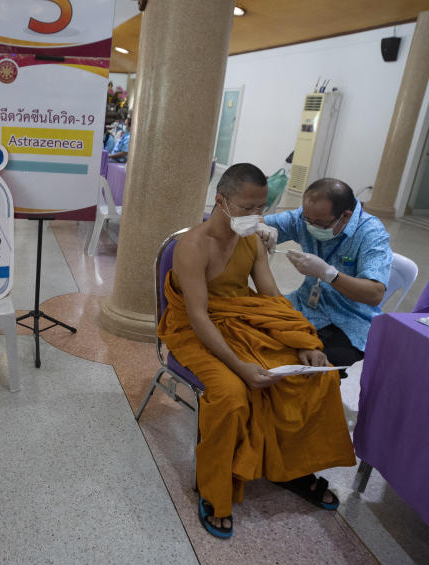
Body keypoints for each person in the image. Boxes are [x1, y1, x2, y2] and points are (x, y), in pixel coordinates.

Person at [159, 163, 355, 539]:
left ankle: (294, 469)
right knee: (233, 394)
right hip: (196, 331)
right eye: (248, 207)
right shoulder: (192, 247)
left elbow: (270, 298)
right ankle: (213, 488)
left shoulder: (250, 240)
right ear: (221, 201)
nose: (256, 217)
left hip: (243, 320)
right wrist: (241, 366)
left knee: (316, 379)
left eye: (261, 207)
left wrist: (304, 343)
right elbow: (198, 318)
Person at [259, 178, 392, 375]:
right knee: (258, 344)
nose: (310, 226)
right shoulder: (306, 218)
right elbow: (259, 222)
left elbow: (375, 293)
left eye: (319, 223)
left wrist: (329, 274)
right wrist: (260, 227)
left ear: (346, 216)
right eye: (307, 220)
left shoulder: (370, 233)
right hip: (305, 305)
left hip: (349, 320)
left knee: (314, 372)